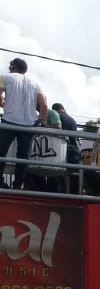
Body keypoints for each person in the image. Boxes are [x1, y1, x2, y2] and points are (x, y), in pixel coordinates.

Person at [0, 58, 48, 190]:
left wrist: (2, 103)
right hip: (29, 125)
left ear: (13, 67)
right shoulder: (35, 83)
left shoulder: (6, 77)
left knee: (1, 153)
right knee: (23, 157)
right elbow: (44, 105)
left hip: (9, 121)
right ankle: (18, 185)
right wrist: (42, 123)